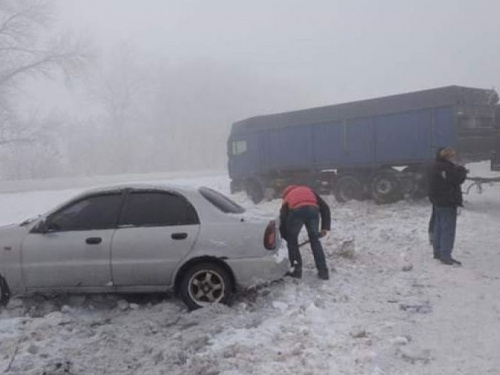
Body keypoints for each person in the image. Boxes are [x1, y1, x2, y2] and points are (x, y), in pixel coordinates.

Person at [279, 185, 331, 280]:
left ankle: (296, 271)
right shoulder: (309, 190)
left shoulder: (287, 197)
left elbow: (283, 219)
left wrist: (285, 238)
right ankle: (323, 272)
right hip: (313, 210)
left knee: (292, 240)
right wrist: (325, 227)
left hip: (297, 211)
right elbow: (325, 207)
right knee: (315, 241)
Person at [427, 147, 468, 265]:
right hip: (447, 201)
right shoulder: (447, 168)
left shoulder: (434, 166)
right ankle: (445, 255)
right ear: (447, 157)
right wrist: (462, 169)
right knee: (448, 229)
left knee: (438, 227)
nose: (453, 158)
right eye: (452, 156)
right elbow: (457, 179)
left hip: (437, 201)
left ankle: (437, 251)